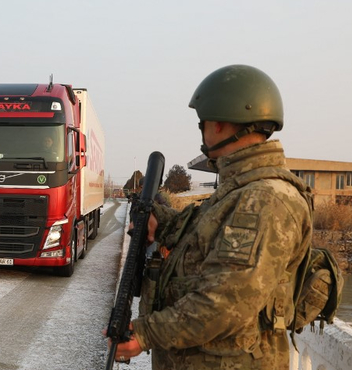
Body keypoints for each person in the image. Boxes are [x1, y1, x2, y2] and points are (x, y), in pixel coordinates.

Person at [110, 65, 312, 369]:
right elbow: (200, 237)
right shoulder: (239, 191)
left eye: (202, 123)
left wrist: (146, 334)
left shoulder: (264, 199)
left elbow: (227, 302)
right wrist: (159, 219)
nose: (202, 132)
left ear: (218, 124)